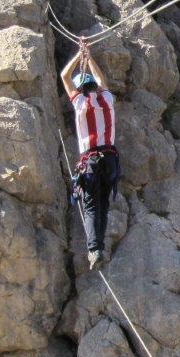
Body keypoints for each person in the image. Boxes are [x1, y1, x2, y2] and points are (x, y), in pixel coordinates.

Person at [59, 41, 120, 270]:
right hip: (110, 160)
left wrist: (79, 55)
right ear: (95, 86)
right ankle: (99, 248)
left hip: (91, 161)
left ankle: (94, 250)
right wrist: (89, 57)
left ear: (80, 89)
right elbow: (102, 79)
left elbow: (65, 75)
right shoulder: (108, 100)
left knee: (92, 206)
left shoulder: (80, 103)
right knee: (103, 204)